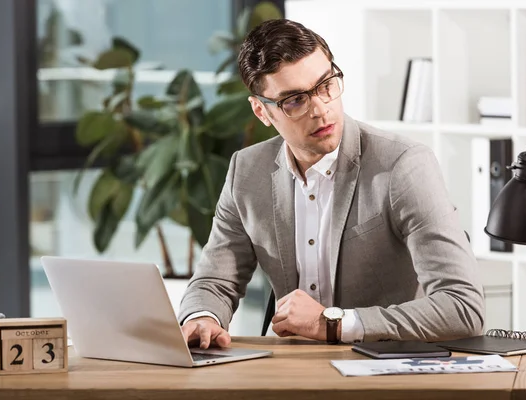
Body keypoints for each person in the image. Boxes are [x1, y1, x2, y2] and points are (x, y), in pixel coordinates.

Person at [178, 18, 484, 349]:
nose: (321, 109)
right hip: (290, 372)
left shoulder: (403, 166)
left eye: (326, 84)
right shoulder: (247, 171)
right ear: (262, 112)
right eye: (294, 100)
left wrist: (334, 323)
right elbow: (215, 279)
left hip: (384, 367)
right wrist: (202, 318)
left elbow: (463, 307)